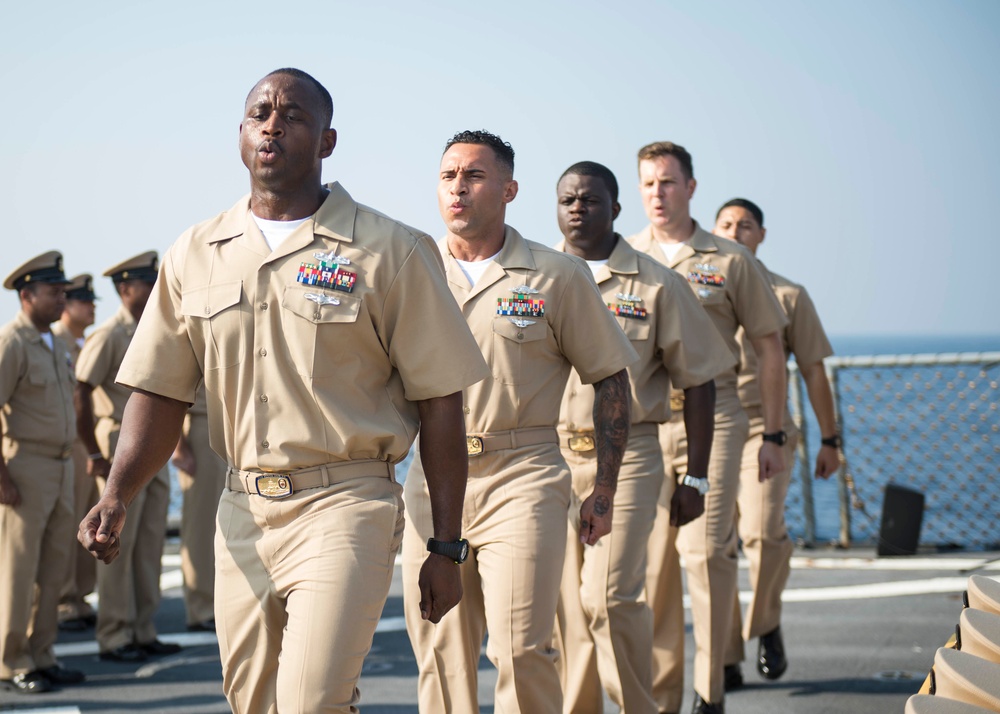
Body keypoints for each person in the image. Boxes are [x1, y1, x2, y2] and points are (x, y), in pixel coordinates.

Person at [79, 68, 489, 714]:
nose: (273, 123)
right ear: (240, 136)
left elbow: (442, 403)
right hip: (240, 508)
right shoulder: (196, 253)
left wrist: (444, 545)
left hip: (345, 506)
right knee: (253, 702)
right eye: (259, 113)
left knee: (310, 702)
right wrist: (114, 494)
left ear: (327, 141)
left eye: (293, 115)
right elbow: (158, 395)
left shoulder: (391, 251)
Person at [401, 132, 638, 714]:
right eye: (448, 174)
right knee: (440, 648)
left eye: (474, 175)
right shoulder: (409, 270)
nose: (458, 186)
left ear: (508, 189)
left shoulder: (557, 276)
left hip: (522, 476)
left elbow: (611, 379)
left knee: (522, 646)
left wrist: (603, 488)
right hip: (430, 480)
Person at [551, 161, 735, 714]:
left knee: (607, 597)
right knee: (566, 617)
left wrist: (696, 475)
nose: (578, 209)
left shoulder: (657, 283)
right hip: (550, 459)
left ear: (615, 208)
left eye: (590, 199)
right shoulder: (536, 278)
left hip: (629, 460)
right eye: (567, 200)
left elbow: (699, 382)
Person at [628, 141, 788, 714]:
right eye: (648, 184)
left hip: (715, 417)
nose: (657, 194)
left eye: (668, 183)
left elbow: (770, 348)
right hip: (647, 421)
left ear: (690, 188)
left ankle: (710, 692)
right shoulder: (626, 258)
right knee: (655, 568)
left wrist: (772, 435)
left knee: (702, 552)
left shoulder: (729, 260)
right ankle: (665, 695)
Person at [713, 198, 841, 688]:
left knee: (764, 534)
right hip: (711, 429)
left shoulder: (789, 294)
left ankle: (765, 623)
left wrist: (830, 439)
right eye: (725, 224)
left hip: (767, 431)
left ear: (761, 236)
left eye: (745, 226)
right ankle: (723, 655)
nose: (734, 231)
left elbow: (812, 368)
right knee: (714, 546)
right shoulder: (695, 287)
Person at [75, 251, 178, 664]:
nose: (155, 291)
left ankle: (142, 628)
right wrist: (96, 452)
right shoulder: (109, 335)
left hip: (149, 443)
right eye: (146, 284)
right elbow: (81, 391)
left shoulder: (151, 331)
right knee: (116, 539)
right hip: (118, 438)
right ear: (125, 289)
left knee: (149, 540)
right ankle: (115, 633)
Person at [0, 251, 85, 694]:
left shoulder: (53, 342)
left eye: (63, 292)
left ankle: (43, 655)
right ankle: (13, 660)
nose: (62, 299)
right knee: (18, 569)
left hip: (60, 465)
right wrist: (3, 479)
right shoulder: (12, 342)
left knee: (54, 566)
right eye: (54, 292)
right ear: (26, 295)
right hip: (26, 466)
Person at [52, 273, 100, 632]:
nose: (92, 307)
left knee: (85, 520)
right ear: (67, 306)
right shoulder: (55, 342)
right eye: (85, 301)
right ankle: (64, 598)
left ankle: (79, 596)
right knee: (67, 526)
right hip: (63, 447)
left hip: (85, 444)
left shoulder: (82, 344)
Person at [171, 384, 227, 632]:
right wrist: (178, 446)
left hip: (229, 425)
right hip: (201, 426)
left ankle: (216, 603)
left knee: (226, 524)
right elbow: (173, 388)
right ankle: (200, 607)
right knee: (202, 526)